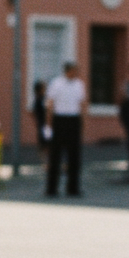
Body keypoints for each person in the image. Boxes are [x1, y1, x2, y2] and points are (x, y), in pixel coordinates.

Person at [45, 61, 87, 197]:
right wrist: (49, 123)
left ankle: (73, 188)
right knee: (55, 155)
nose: (75, 73)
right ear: (67, 71)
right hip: (60, 119)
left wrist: (82, 122)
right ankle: (52, 188)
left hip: (73, 119)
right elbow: (50, 103)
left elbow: (82, 104)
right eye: (73, 71)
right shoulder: (56, 83)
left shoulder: (79, 84)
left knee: (74, 156)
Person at [31, 81, 49, 159]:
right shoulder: (39, 100)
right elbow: (35, 112)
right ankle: (45, 162)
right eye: (43, 87)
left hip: (44, 124)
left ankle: (47, 161)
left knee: (46, 143)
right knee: (44, 144)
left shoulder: (42, 99)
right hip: (43, 124)